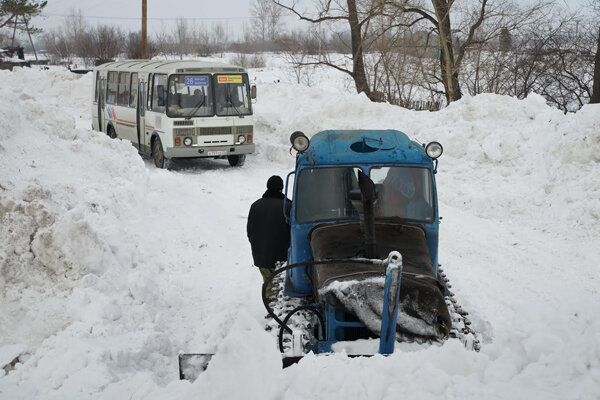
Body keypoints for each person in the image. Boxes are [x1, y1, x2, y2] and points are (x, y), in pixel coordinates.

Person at [247, 176, 292, 299]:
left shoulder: (255, 206)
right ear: (281, 188)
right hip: (282, 257)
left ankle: (270, 309)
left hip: (261, 255)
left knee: (269, 284)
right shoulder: (287, 207)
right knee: (281, 285)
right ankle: (278, 312)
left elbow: (249, 232)